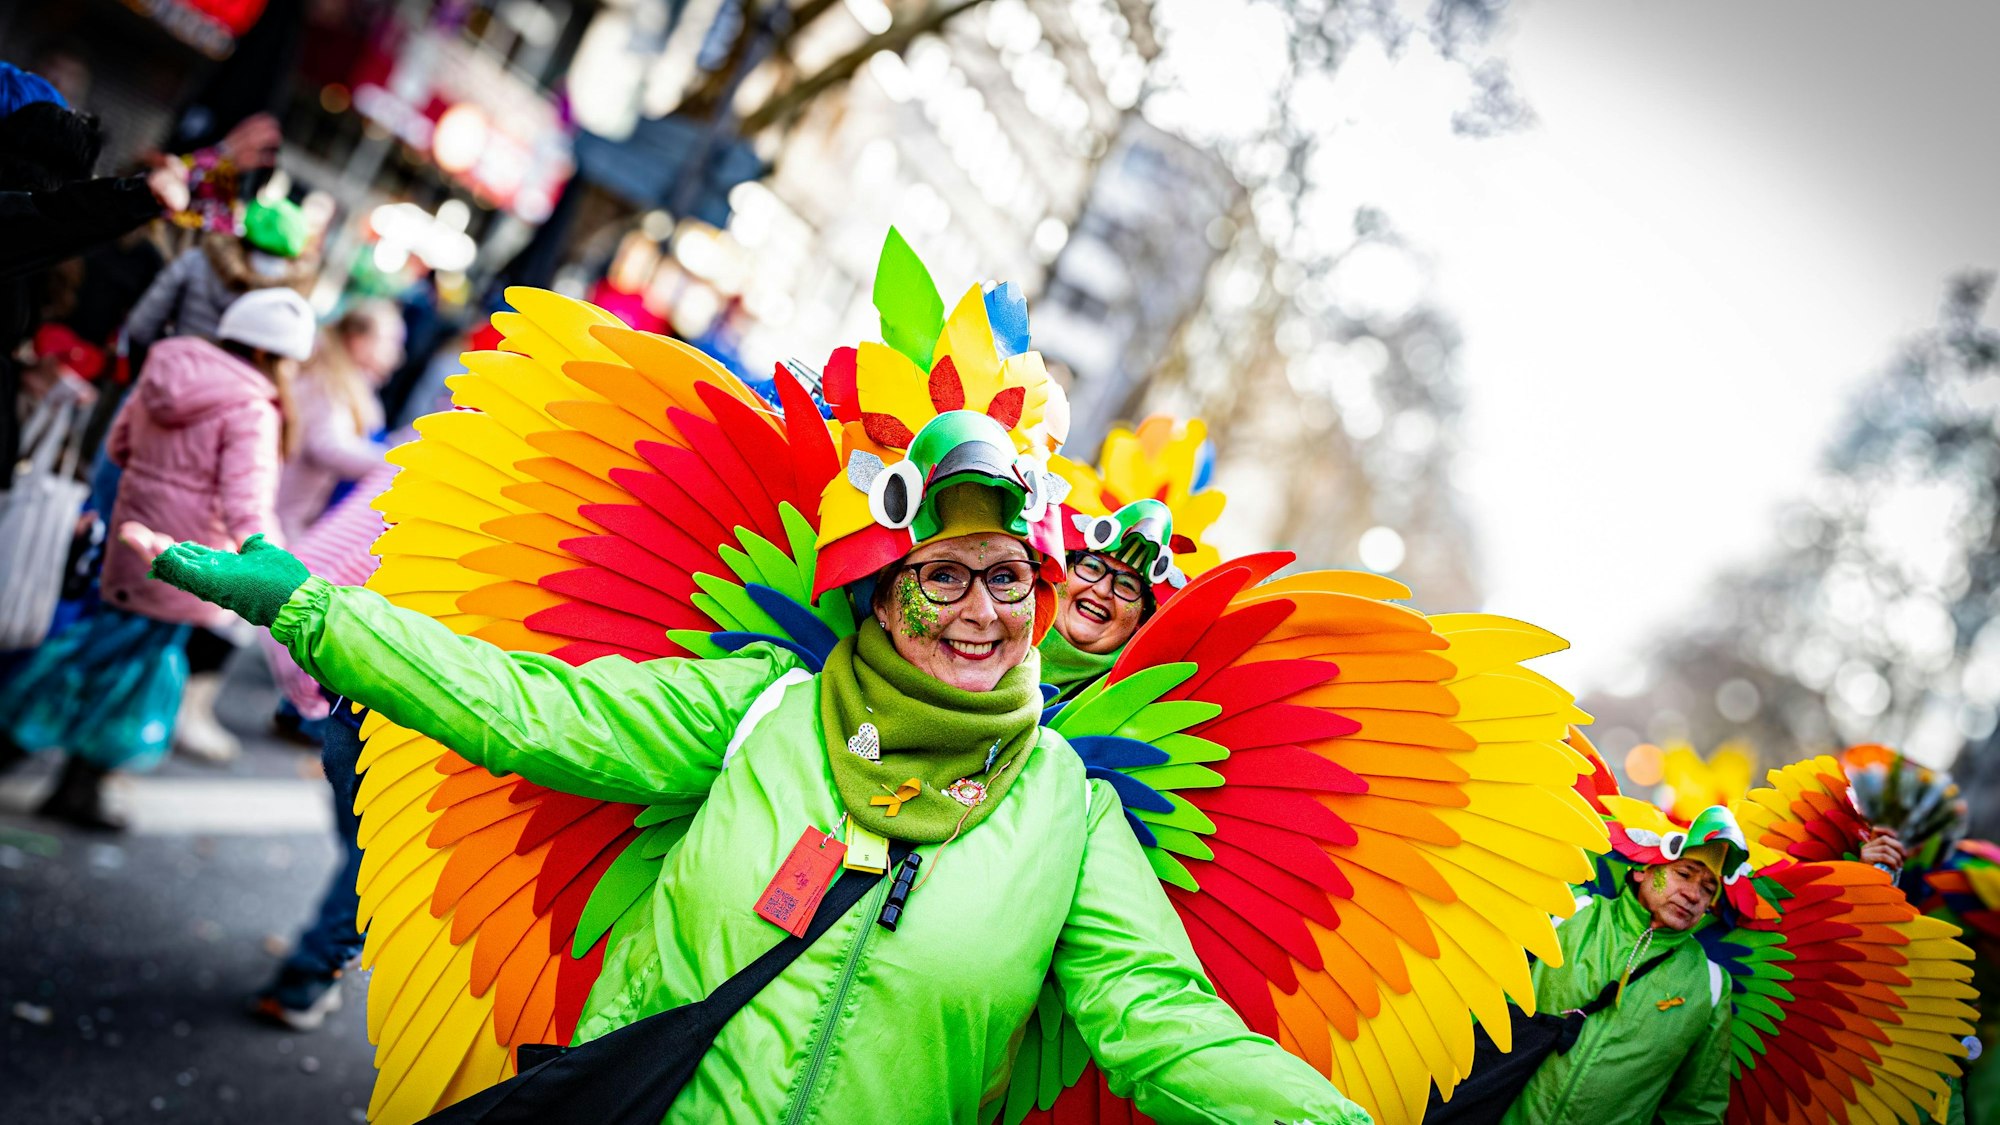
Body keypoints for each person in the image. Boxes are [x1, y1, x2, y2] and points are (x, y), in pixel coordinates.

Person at [140, 350, 1368, 1118]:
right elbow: (523, 707)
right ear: (879, 594)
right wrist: (308, 609)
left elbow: (1163, 1023)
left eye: (1005, 577)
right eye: (940, 576)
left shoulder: (1067, 810)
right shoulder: (761, 707)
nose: (979, 610)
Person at [0, 287, 313, 828]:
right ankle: (56, 770)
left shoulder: (165, 365)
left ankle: (67, 779)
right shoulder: (252, 408)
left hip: (128, 538)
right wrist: (271, 563)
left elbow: (118, 449)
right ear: (271, 354)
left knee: (99, 650)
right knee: (132, 671)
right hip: (185, 564)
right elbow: (247, 503)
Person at [1498, 805, 1743, 1125]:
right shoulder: (1570, 914)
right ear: (1644, 869)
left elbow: (1696, 1107)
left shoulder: (1710, 986)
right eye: (1684, 874)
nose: (1693, 894)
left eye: (1708, 889)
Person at [123, 195, 316, 365]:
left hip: (166, 375)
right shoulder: (282, 302)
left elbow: (141, 325)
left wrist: (156, 364)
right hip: (223, 400)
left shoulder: (197, 261)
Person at [273, 299, 402, 541]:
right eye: (389, 340)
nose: (397, 352)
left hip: (290, 508)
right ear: (357, 340)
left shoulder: (344, 378)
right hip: (282, 510)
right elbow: (328, 446)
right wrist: (394, 463)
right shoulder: (326, 381)